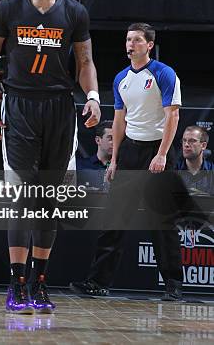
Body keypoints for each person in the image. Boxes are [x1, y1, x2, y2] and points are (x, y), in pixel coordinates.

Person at [0, 0, 101, 314]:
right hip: (19, 107)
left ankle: (40, 283)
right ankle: (15, 283)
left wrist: (92, 94)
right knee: (20, 200)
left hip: (60, 108)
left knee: (48, 202)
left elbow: (85, 62)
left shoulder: (75, 11)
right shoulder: (8, 7)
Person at [70, 22, 183, 301]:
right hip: (131, 151)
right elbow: (119, 120)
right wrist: (115, 159)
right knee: (115, 220)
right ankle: (97, 282)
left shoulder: (163, 73)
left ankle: (173, 285)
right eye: (128, 39)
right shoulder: (121, 77)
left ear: (149, 45)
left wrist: (162, 154)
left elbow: (173, 116)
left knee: (161, 222)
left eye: (136, 40)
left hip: (157, 150)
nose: (130, 44)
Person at [175, 125, 214, 195]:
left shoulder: (212, 171)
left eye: (192, 141)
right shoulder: (173, 171)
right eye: (184, 140)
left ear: (203, 145)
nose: (186, 144)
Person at [77, 120, 113, 190]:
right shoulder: (80, 166)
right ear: (98, 140)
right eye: (110, 138)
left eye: (117, 139)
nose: (114, 142)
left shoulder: (124, 166)